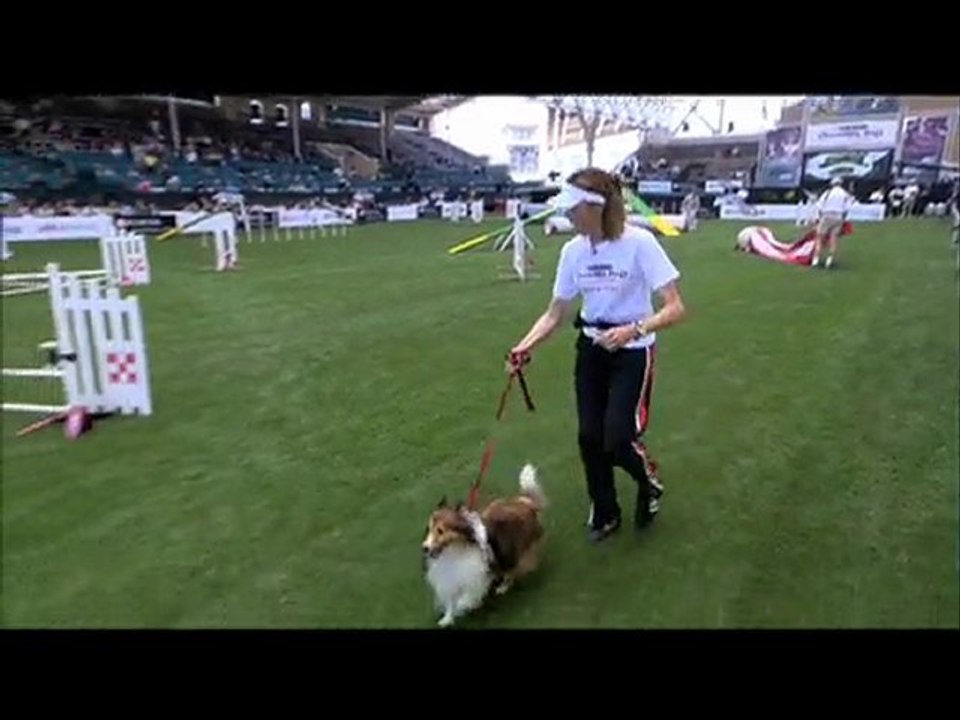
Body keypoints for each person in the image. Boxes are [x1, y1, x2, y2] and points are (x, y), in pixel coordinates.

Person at [507, 168, 687, 541]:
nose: (568, 217)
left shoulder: (640, 243)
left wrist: (633, 331)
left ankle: (648, 481)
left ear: (597, 207)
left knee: (617, 438)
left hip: (632, 349)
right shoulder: (573, 251)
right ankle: (605, 512)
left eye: (574, 209)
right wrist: (525, 346)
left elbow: (675, 308)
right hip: (591, 349)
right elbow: (555, 312)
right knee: (590, 437)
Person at [813, 177, 854, 269]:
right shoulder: (845, 194)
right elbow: (847, 209)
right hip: (838, 216)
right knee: (833, 239)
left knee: (820, 238)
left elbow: (819, 206)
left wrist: (817, 218)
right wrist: (843, 219)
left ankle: (816, 260)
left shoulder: (827, 193)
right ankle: (829, 260)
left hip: (827, 215)